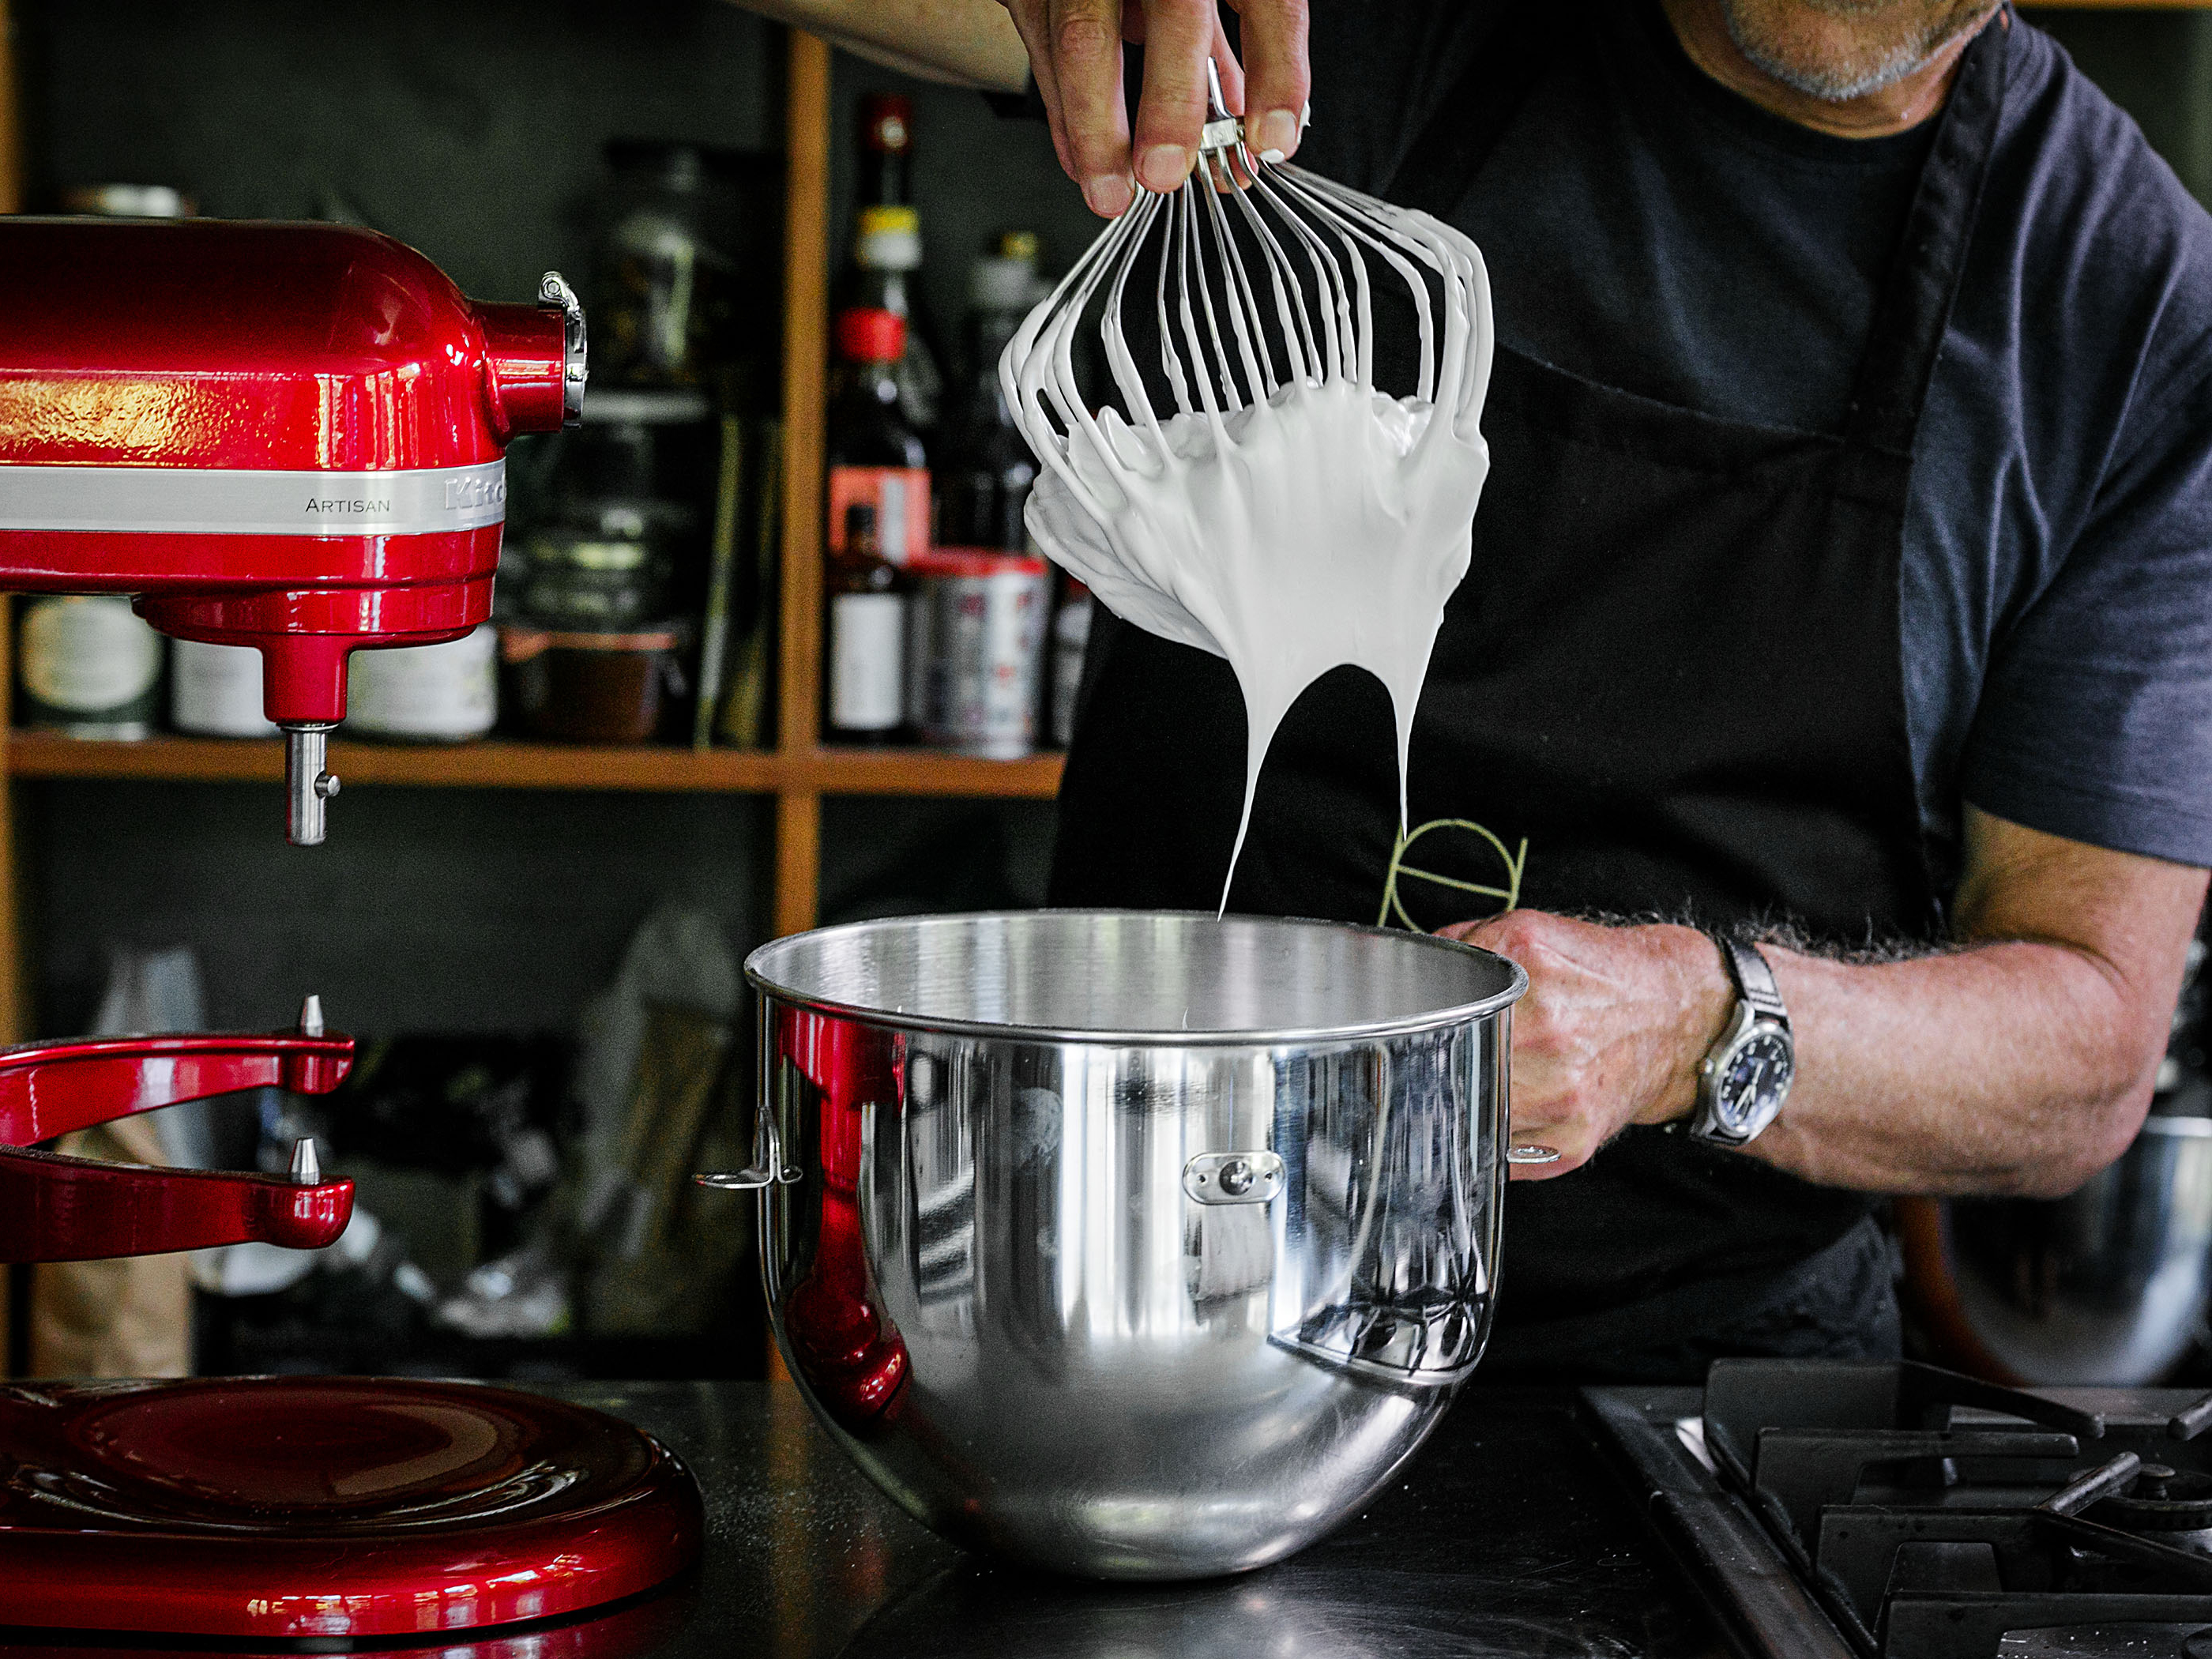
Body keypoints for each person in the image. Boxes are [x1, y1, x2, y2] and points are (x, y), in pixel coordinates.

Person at [735, 0, 2212, 1380]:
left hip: (1693, 1397)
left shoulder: (2129, 305)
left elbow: (2085, 1051)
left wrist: (1695, 1025)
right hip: (1129, 1301)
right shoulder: (1355, 28)